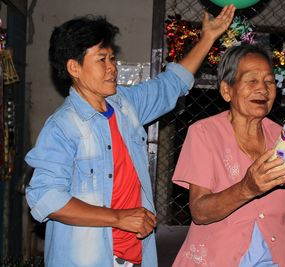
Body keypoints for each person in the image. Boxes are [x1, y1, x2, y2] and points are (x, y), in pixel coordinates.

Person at [25, 5, 235, 267]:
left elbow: (171, 85)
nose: (112, 67)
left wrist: (208, 38)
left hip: (135, 257)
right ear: (74, 68)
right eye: (101, 59)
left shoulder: (124, 105)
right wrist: (117, 217)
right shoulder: (62, 127)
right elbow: (45, 198)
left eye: (112, 58)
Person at [172, 44, 285, 267]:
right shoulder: (204, 133)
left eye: (269, 81)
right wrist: (247, 188)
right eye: (251, 80)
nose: (262, 89)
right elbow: (200, 212)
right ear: (227, 90)